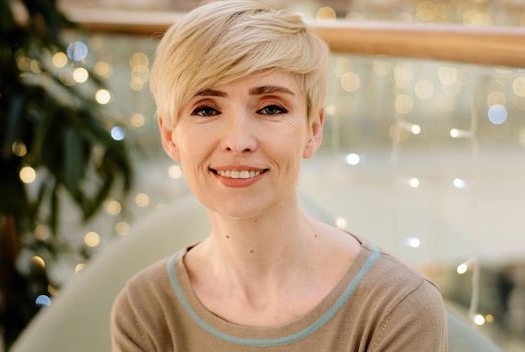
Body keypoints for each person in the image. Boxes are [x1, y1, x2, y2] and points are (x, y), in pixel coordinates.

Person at [111, 0, 448, 350]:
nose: (238, 142)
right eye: (206, 109)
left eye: (271, 107)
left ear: (313, 130)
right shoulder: (145, 311)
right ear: (169, 136)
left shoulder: (397, 307)